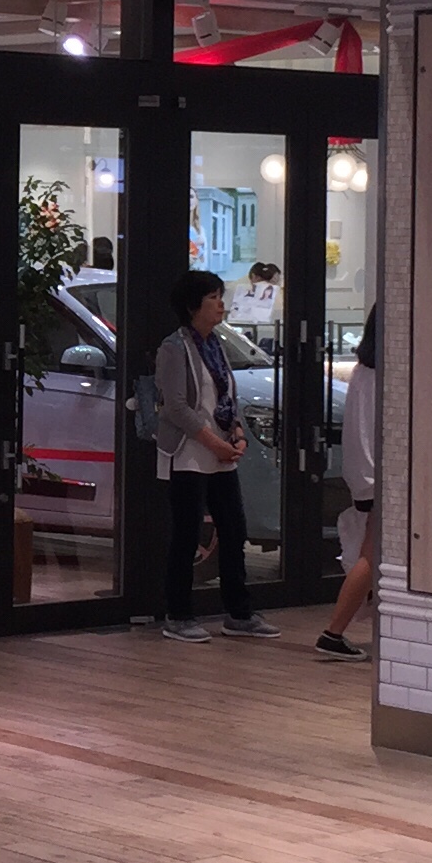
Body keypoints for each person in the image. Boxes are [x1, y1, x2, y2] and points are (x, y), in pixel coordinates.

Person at [154, 268, 275, 641]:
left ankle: (239, 613)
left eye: (221, 297)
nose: (221, 304)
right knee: (187, 534)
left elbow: (226, 396)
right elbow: (176, 406)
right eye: (213, 298)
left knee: (234, 531)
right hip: (188, 453)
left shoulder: (216, 345)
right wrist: (214, 442)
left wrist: (236, 433)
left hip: (220, 451)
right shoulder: (174, 348)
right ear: (194, 306)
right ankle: (178, 615)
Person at [320, 302, 380, 662]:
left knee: (371, 555)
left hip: (363, 474)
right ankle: (333, 632)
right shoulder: (390, 373)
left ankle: (337, 631)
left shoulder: (361, 372)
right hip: (381, 476)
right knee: (371, 558)